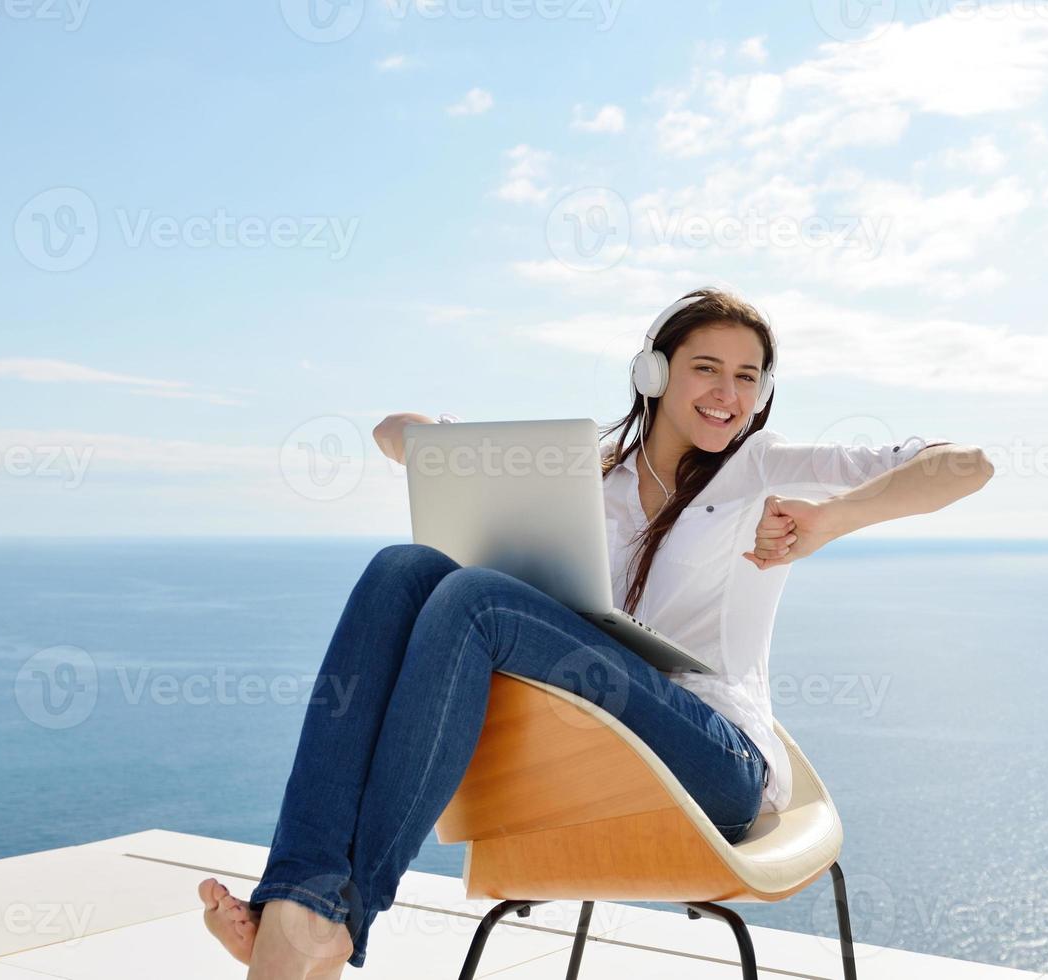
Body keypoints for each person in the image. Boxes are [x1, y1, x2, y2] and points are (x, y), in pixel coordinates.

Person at [198, 285, 994, 977]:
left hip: (717, 765)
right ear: (654, 374)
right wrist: (434, 448)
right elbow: (389, 429)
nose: (727, 394)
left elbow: (966, 464)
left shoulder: (767, 465)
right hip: (597, 748)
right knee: (402, 570)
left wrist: (833, 519)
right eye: (705, 369)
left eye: (747, 377)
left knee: (474, 599)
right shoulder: (592, 475)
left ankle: (341, 915)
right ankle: (301, 902)